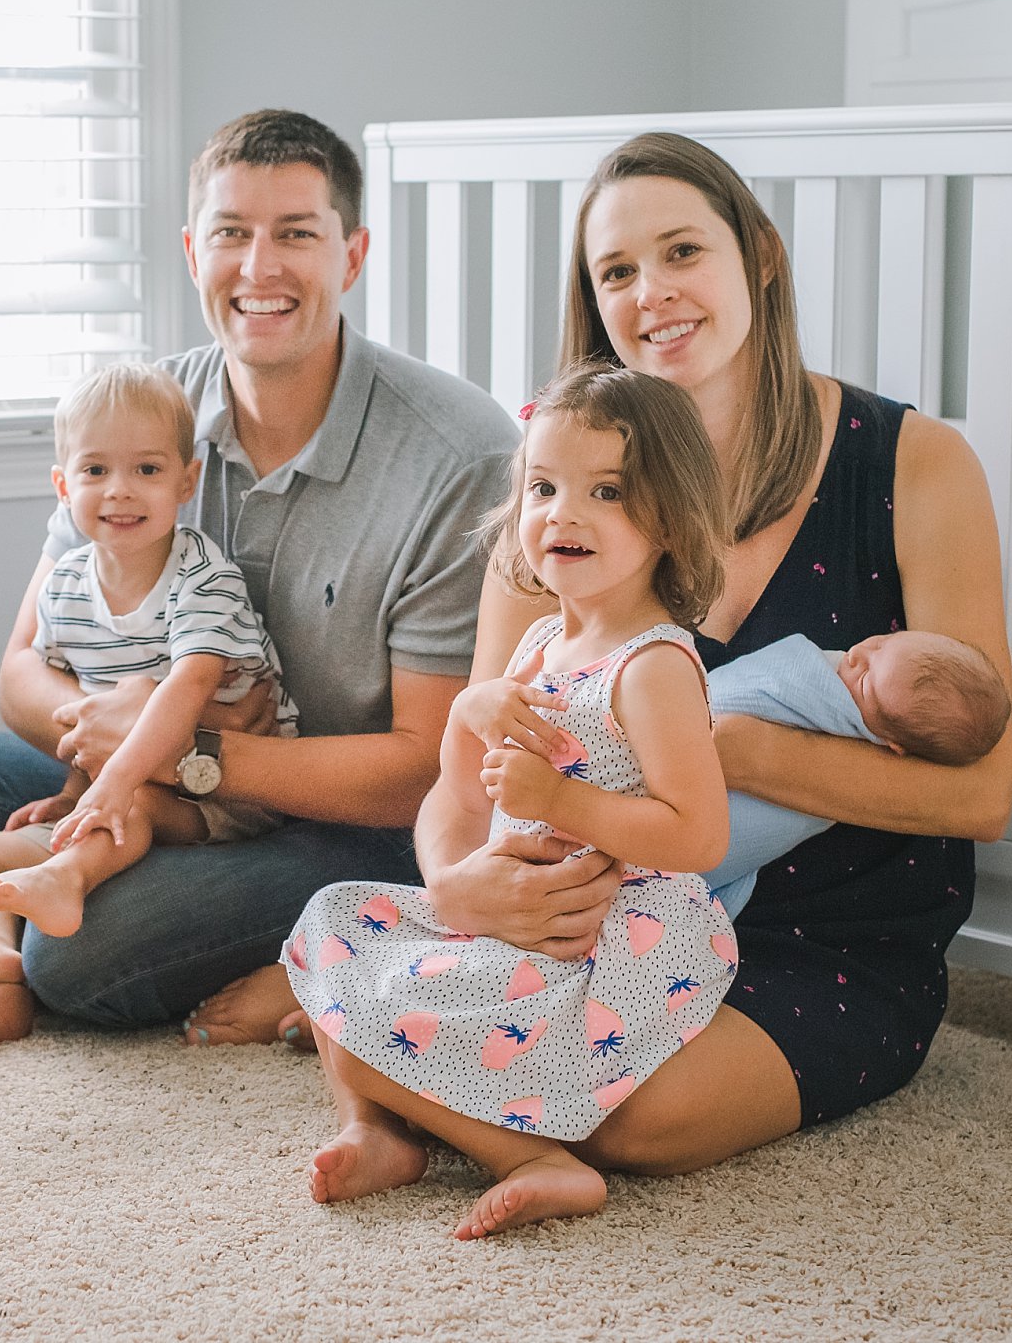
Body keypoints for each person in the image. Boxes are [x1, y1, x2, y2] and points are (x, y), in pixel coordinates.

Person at [273, 129, 1012, 1189]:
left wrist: (728, 751)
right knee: (351, 970)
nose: (650, 292)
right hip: (584, 928)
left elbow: (981, 794)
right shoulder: (554, 501)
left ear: (756, 253)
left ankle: (415, 1090)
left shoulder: (912, 464)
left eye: (680, 252)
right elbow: (465, 759)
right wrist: (463, 886)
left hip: (827, 936)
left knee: (627, 1121)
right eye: (615, 270)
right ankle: (387, 1112)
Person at [0, 109, 544, 1072]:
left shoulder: (457, 455)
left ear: (351, 255)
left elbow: (424, 771)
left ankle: (13, 978)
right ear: (193, 251)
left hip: (338, 822)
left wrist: (188, 751)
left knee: (79, 955)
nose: (259, 268)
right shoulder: (143, 418)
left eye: (296, 234)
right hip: (133, 769)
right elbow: (23, 671)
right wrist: (117, 736)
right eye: (232, 233)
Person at [284, 362, 739, 1238]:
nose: (562, 513)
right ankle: (374, 1132)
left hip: (604, 937)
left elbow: (700, 833)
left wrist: (560, 800)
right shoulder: (539, 641)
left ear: (672, 520)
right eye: (543, 486)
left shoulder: (651, 667)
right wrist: (469, 708)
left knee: (387, 1005)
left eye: (605, 491)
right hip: (505, 909)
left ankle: (528, 1156)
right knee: (332, 933)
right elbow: (460, 788)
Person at [0, 361, 298, 955]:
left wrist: (114, 784)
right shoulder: (66, 588)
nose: (120, 489)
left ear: (186, 483)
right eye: (96, 470)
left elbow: (190, 684)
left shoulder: (204, 578)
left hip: (228, 799)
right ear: (63, 487)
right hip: (118, 787)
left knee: (132, 807)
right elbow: (92, 711)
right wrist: (75, 791)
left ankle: (65, 879)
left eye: (147, 469)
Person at [705, 629, 1010, 918]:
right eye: (882, 643)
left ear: (893, 744)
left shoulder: (849, 741)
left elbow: (747, 697)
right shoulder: (865, 674)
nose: (856, 656)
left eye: (864, 681)